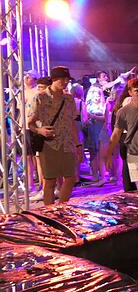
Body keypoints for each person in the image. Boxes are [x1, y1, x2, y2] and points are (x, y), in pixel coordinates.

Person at [28, 66, 84, 205]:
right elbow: (30, 123)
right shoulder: (40, 97)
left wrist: (78, 145)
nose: (65, 82)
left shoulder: (69, 99)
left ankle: (61, 208)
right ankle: (50, 214)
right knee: (50, 182)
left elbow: (72, 123)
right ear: (54, 79)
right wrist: (40, 131)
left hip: (67, 144)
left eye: (67, 79)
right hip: (49, 144)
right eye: (62, 79)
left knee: (71, 179)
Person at [84, 86, 108, 186]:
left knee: (102, 154)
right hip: (91, 130)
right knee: (93, 153)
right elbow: (84, 119)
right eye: (94, 94)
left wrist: (93, 116)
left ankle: (103, 176)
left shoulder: (104, 105)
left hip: (101, 131)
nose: (96, 97)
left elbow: (105, 118)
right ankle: (95, 175)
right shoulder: (87, 105)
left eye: (98, 94)